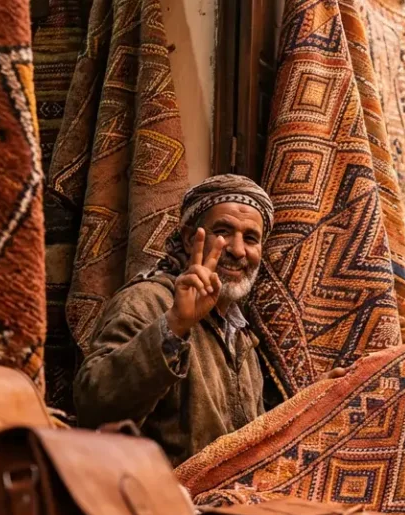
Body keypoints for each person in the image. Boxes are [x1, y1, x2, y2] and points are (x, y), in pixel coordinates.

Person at [74, 174, 282, 465]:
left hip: (227, 502)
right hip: (159, 499)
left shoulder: (241, 331)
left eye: (250, 238)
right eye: (223, 232)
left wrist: (314, 402)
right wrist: (174, 325)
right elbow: (95, 409)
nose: (237, 250)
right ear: (188, 238)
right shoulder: (147, 301)